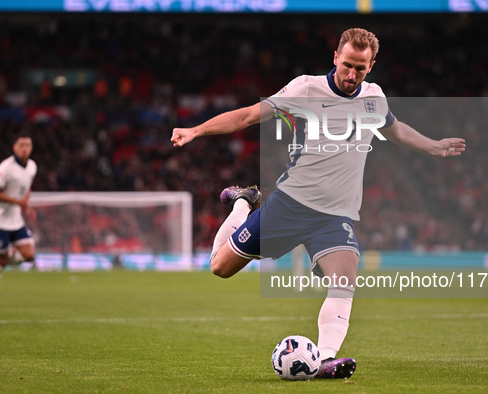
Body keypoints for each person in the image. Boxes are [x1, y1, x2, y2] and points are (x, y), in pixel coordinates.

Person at [171, 28, 465, 379]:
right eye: (347, 65)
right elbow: (249, 116)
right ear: (335, 58)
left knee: (345, 279)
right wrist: (196, 130)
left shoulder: (374, 98)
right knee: (220, 267)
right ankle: (243, 204)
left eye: (360, 68)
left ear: (371, 66)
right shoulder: (305, 89)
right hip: (290, 205)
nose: (352, 74)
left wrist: (432, 145)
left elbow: (396, 129)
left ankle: (323, 359)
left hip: (335, 215)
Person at [0, 133, 38, 308]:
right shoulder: (6, 167)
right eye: (21, 144)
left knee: (29, 255)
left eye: (27, 144)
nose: (24, 148)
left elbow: (26, 187)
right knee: (2, 260)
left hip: (15, 219)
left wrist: (26, 205)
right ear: (14, 147)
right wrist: (18, 202)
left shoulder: (32, 167)